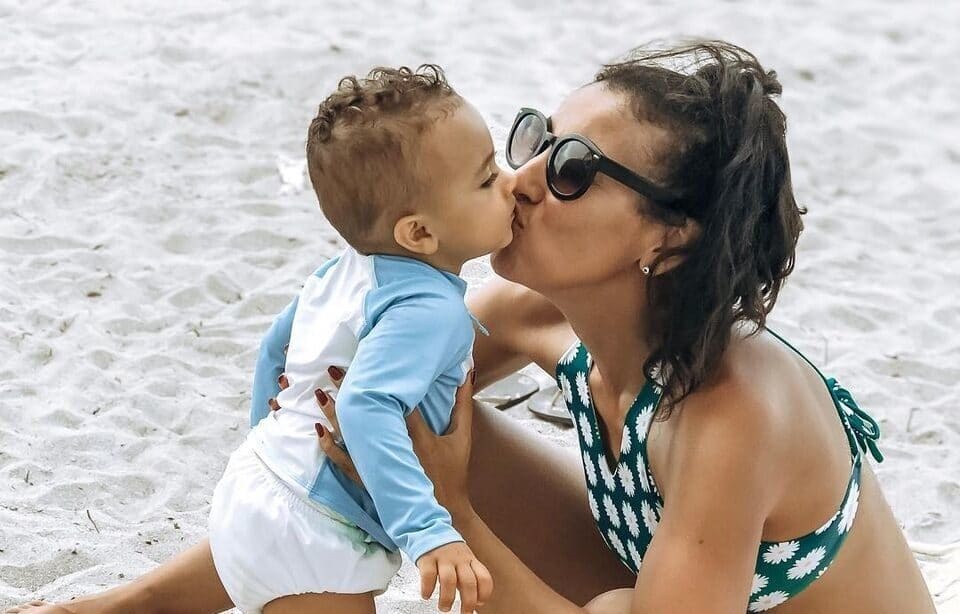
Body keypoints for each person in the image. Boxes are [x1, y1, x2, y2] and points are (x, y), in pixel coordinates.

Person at [8, 41, 937, 614]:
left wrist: (448, 512)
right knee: (404, 409)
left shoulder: (734, 410)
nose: (523, 178)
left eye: (572, 169)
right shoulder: (525, 316)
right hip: (652, 580)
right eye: (534, 137)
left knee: (438, 457)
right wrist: (129, 603)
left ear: (668, 237)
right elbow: (330, 444)